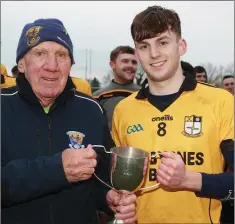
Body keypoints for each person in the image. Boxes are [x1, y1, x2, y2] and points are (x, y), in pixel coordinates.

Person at [1, 18, 137, 224]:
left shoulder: (91, 109)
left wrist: (108, 198)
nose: (52, 66)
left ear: (71, 64)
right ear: (21, 63)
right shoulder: (3, 106)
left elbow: (101, 176)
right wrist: (57, 170)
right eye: (40, 53)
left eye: (62, 55)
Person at [111, 6, 234, 224]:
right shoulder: (123, 110)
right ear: (137, 54)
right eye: (144, 46)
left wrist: (189, 179)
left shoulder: (221, 101)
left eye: (163, 42)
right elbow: (119, 184)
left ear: (181, 45)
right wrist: (119, 202)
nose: (154, 53)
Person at [93, 46, 140, 130]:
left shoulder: (145, 94)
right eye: (125, 61)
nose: (130, 65)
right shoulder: (98, 97)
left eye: (134, 62)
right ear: (112, 65)